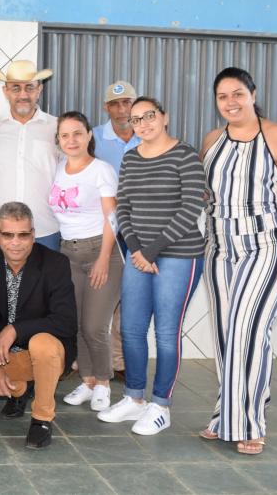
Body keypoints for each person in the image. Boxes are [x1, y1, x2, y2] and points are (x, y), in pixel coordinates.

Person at [200, 67, 277, 455]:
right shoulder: (213, 140)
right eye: (222, 96)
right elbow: (205, 196)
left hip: (268, 246)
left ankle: (248, 424)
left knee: (248, 330)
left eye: (237, 94)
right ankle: (225, 415)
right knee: (226, 335)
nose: (230, 102)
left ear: (252, 93)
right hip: (218, 248)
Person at [97, 96, 205, 435]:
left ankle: (161, 405)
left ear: (165, 117)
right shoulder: (131, 158)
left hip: (178, 255)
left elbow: (190, 208)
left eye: (149, 116)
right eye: (136, 119)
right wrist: (136, 249)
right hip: (138, 254)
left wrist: (152, 250)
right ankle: (134, 399)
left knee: (166, 334)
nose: (143, 124)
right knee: (130, 329)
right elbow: (123, 207)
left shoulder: (184, 155)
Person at [0, 202, 77, 449]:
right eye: (8, 235)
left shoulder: (56, 264)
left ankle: (42, 419)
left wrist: (16, 329)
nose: (16, 242)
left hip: (46, 351)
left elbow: (66, 322)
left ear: (33, 235)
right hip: (8, 356)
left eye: (23, 235)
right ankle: (21, 389)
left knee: (41, 343)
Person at [51, 112, 123, 413]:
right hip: (68, 252)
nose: (72, 140)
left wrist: (104, 259)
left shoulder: (101, 170)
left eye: (77, 133)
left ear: (88, 136)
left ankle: (104, 383)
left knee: (95, 326)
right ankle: (88, 379)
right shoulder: (59, 169)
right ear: (58, 140)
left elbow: (112, 218)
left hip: (100, 251)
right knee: (78, 323)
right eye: (65, 135)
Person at [0, 60, 61, 250]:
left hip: (45, 231)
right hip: (1, 232)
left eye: (29, 88)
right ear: (5, 91)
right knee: (0, 281)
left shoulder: (57, 127)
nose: (23, 95)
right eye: (16, 88)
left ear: (39, 90)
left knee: (44, 281)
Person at [92, 80, 140, 382]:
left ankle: (121, 362)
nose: (122, 110)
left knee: (130, 295)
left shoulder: (150, 135)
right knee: (101, 293)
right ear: (106, 107)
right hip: (103, 230)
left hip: (138, 230)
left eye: (127, 103)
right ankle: (95, 362)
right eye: (115, 104)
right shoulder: (94, 137)